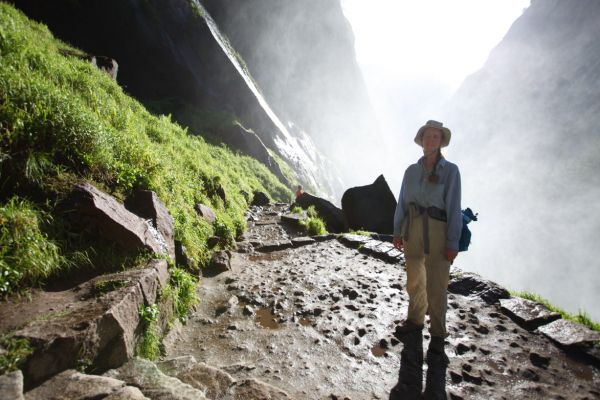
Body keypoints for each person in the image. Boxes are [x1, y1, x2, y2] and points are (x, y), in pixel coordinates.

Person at [391, 120, 462, 397]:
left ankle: (438, 336)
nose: (431, 140)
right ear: (421, 140)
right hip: (413, 228)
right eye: (427, 136)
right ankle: (415, 322)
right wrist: (397, 230)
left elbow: (454, 206)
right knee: (414, 280)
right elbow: (401, 201)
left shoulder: (451, 172)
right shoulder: (411, 171)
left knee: (437, 285)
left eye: (436, 136)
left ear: (441, 141)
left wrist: (453, 241)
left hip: (438, 229)